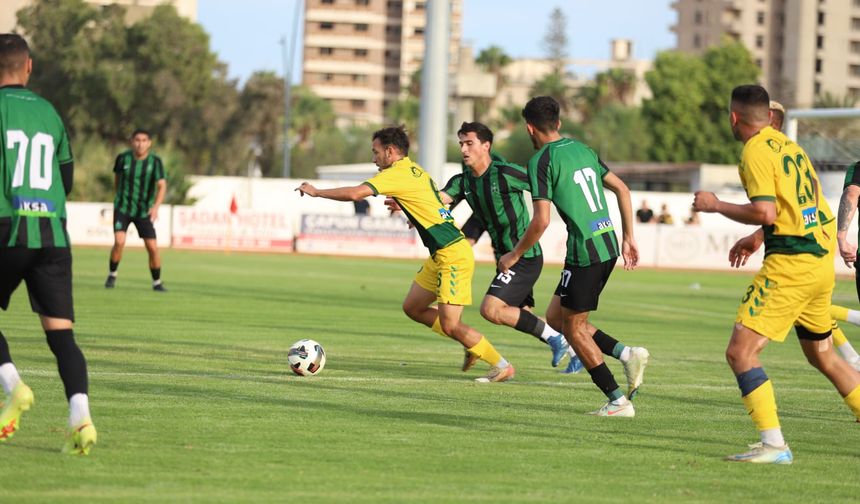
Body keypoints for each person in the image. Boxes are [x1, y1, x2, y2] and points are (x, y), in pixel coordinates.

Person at [693, 84, 860, 464]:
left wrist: (715, 204)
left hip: (791, 266)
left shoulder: (754, 151)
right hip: (819, 264)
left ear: (734, 118)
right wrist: (757, 238)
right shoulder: (790, 148)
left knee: (740, 353)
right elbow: (804, 209)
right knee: (824, 356)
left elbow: (766, 212)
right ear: (769, 116)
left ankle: (774, 445)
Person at [297, 126, 515, 382]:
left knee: (451, 325)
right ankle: (469, 342)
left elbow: (356, 193)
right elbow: (431, 202)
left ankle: (501, 364)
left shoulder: (395, 173)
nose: (374, 158)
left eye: (376, 152)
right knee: (413, 307)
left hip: (453, 254)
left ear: (390, 151)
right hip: (440, 254)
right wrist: (412, 211)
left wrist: (317, 192)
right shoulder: (414, 170)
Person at [499, 96, 649, 417]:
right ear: (558, 123)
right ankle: (627, 354)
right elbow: (622, 189)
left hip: (585, 252)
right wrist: (628, 237)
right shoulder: (583, 150)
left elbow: (540, 221)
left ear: (529, 128)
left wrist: (514, 254)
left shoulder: (541, 161)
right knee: (557, 318)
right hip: (607, 243)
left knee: (575, 329)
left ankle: (617, 401)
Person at [0, 34, 96, 455]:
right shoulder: (50, 113)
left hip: (6, 228)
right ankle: (81, 419)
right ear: (29, 66)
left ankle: (13, 386)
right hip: (53, 234)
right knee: (62, 338)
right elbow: (66, 179)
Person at [438, 122, 583, 374]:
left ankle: (558, 340)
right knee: (522, 314)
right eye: (461, 143)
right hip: (505, 259)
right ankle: (574, 350)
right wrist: (407, 202)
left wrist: (577, 207)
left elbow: (542, 184)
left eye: (469, 143)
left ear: (486, 146)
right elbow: (439, 198)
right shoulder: (463, 182)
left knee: (491, 309)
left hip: (523, 257)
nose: (463, 149)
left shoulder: (505, 172)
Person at [104, 129, 167, 291]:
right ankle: (112, 274)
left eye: (144, 140)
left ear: (149, 143)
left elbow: (162, 185)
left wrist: (156, 207)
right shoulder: (123, 158)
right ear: (132, 141)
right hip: (123, 207)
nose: (140, 144)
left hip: (143, 211)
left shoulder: (155, 162)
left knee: (152, 247)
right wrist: (119, 197)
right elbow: (117, 179)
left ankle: (157, 282)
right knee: (119, 241)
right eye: (137, 140)